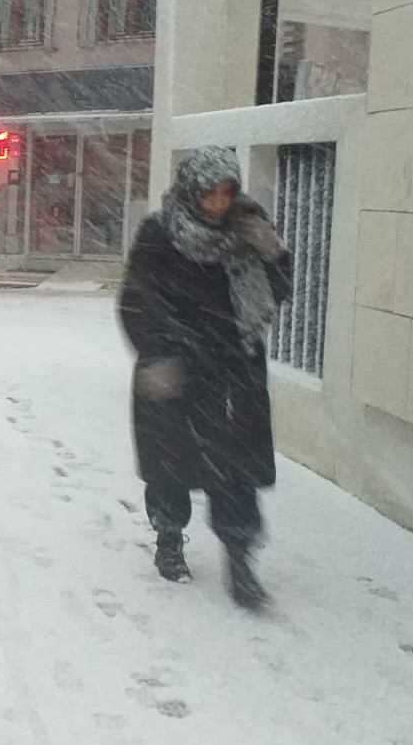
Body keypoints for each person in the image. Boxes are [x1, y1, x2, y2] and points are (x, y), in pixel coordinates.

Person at [118, 146, 292, 610]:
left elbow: (278, 291)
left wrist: (273, 253)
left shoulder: (246, 228)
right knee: (171, 465)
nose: (219, 202)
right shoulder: (161, 233)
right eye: (210, 193)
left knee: (235, 470)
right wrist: (158, 353)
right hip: (177, 367)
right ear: (192, 190)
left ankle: (240, 558)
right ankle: (169, 539)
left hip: (235, 372)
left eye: (226, 193)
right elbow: (136, 298)